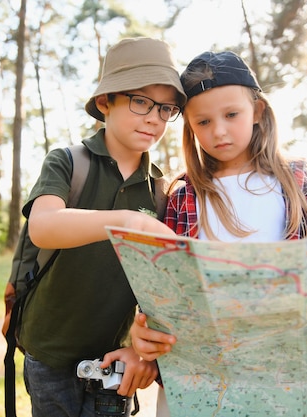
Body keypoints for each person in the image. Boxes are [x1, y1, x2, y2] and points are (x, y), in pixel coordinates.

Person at [128, 50, 307, 375]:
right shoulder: (182, 194)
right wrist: (145, 333)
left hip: (290, 371)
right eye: (204, 122)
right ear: (191, 128)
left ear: (256, 111)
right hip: (208, 375)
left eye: (231, 114)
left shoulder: (297, 180)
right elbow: (163, 290)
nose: (219, 131)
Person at [19, 37, 186, 417]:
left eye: (166, 108)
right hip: (50, 352)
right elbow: (43, 227)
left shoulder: (161, 191)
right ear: (105, 101)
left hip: (114, 359)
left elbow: (161, 284)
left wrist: (141, 349)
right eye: (141, 101)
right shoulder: (67, 162)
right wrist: (125, 222)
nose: (153, 118)